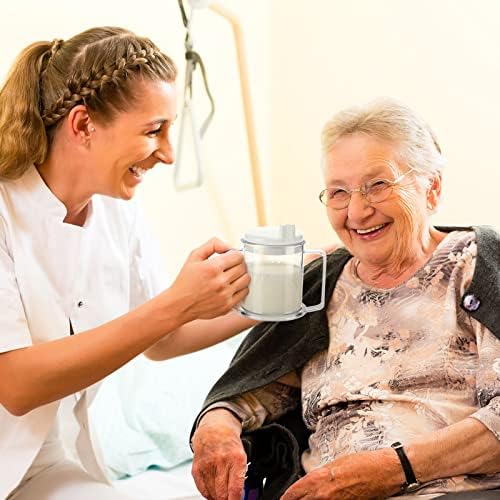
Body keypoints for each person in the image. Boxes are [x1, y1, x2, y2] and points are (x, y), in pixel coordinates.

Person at [190, 98, 500, 499]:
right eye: (338, 192)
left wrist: (394, 468)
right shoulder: (323, 281)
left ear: (432, 188)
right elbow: (262, 383)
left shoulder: (479, 265)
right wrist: (217, 424)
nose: (357, 211)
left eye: (378, 185)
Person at [0, 26, 259, 499]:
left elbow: (162, 340)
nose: (168, 152)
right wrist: (180, 301)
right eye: (152, 130)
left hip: (44, 461)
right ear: (82, 126)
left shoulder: (118, 211)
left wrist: (271, 294)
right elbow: (15, 384)